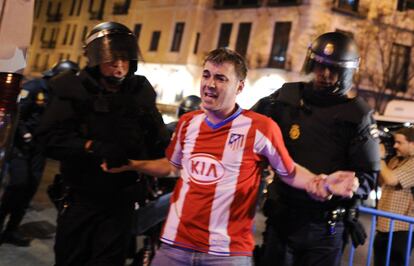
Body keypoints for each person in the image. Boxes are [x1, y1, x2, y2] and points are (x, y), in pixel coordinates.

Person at [102, 48, 359, 266]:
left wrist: (322, 183)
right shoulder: (188, 123)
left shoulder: (261, 128)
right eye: (206, 75)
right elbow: (172, 166)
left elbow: (289, 171)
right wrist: (131, 165)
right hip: (174, 248)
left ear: (239, 86)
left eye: (221, 78)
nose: (210, 84)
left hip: (227, 254)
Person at [35, 22, 169, 266]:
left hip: (122, 202)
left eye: (124, 58)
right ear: (96, 59)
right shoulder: (74, 88)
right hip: (81, 199)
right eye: (112, 58)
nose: (119, 65)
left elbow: (158, 139)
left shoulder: (139, 92)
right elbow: (48, 138)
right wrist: (91, 147)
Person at [252, 31, 380, 265]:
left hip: (325, 228)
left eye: (334, 69)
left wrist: (352, 185)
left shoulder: (357, 115)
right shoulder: (286, 98)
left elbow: (369, 177)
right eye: (320, 66)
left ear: (347, 73)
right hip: (282, 218)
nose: (325, 74)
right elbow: (248, 127)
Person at [0, 60, 79, 247]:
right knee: (17, 185)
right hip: (21, 147)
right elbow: (17, 113)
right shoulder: (35, 87)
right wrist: (24, 134)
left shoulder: (59, 94)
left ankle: (12, 229)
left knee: (29, 189)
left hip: (40, 150)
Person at [374, 127, 414, 266]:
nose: (395, 145)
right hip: (384, 225)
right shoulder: (395, 160)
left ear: (412, 144)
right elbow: (382, 181)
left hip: (402, 228)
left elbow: (391, 179)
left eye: (399, 142)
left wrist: (379, 157)